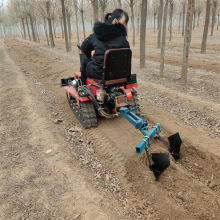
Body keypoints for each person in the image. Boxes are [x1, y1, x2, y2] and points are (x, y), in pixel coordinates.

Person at [72, 8, 130, 86]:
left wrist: (89, 55)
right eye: (123, 23)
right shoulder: (123, 39)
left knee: (86, 61)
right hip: (120, 74)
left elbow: (84, 47)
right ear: (115, 21)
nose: (124, 26)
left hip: (99, 74)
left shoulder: (97, 35)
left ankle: (83, 86)